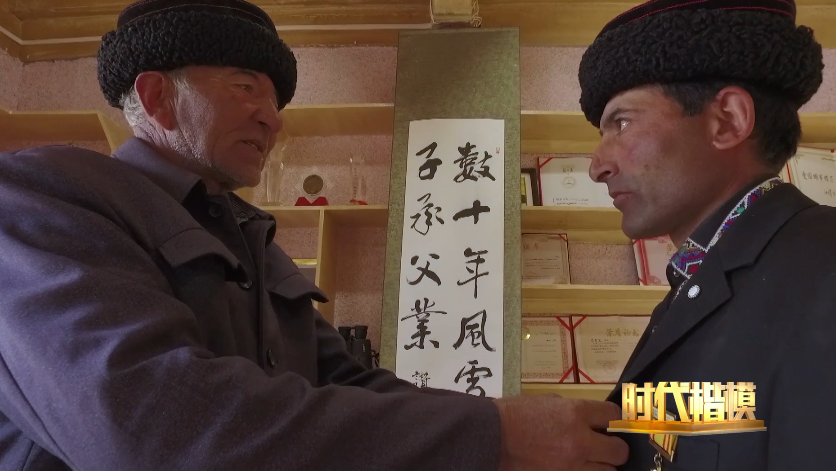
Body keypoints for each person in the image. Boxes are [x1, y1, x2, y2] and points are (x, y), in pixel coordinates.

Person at [0, 1, 628, 470]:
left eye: (276, 100)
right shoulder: (44, 195)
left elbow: (349, 383)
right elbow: (150, 425)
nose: (272, 119)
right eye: (246, 87)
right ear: (157, 96)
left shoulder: (250, 237)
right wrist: (493, 437)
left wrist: (502, 422)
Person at [578, 0, 835, 469]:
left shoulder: (823, 273)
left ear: (728, 121)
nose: (598, 166)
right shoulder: (697, 284)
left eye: (622, 122)